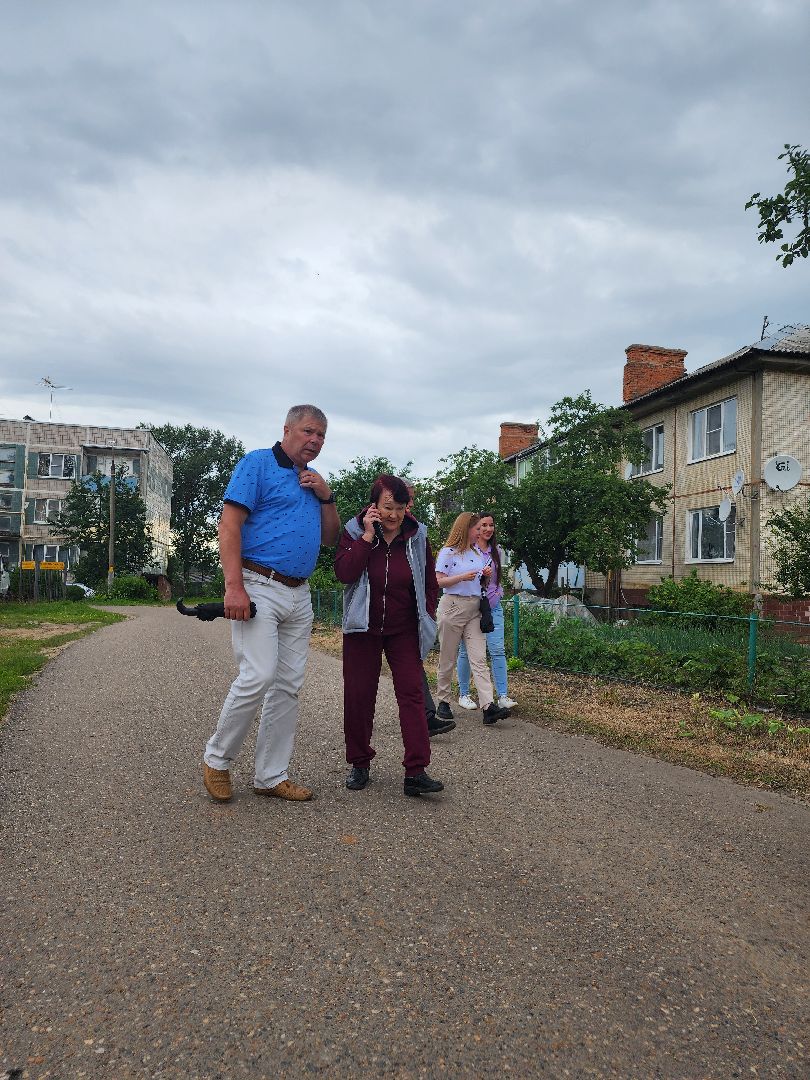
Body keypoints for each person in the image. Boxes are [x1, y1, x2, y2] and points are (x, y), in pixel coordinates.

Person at [202, 405, 340, 804]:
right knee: (258, 675)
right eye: (309, 432)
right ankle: (218, 758)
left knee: (288, 686)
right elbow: (228, 525)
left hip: (300, 593)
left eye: (322, 437)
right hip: (258, 584)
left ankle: (270, 775)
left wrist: (326, 495)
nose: (315, 441)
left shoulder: (311, 482)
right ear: (288, 430)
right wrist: (234, 587)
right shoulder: (257, 464)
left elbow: (330, 538)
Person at [335, 474, 444, 797]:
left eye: (400, 507)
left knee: (411, 694)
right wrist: (367, 538)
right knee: (359, 696)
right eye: (387, 507)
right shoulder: (355, 531)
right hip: (362, 628)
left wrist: (428, 612)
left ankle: (416, 771)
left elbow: (429, 581)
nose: (393, 515)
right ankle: (359, 762)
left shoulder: (417, 534)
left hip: (403, 629)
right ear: (374, 506)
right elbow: (344, 573)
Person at [434, 513, 510, 726]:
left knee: (479, 658)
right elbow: (438, 582)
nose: (480, 532)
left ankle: (488, 706)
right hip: (453, 607)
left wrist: (484, 576)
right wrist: (462, 577)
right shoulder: (448, 553)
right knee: (447, 657)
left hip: (475, 607)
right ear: (466, 529)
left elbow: (482, 583)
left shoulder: (478, 553)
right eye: (477, 528)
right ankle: (444, 701)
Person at [404, 482, 456, 737]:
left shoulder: (417, 530)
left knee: (413, 663)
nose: (411, 504)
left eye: (411, 499)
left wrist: (427, 604)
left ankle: (424, 716)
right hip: (377, 616)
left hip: (411, 612)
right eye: (408, 498)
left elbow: (427, 573)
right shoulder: (368, 526)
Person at [456, 513, 517, 711]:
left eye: (491, 525)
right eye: (484, 525)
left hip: (493, 608)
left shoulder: (496, 551)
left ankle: (503, 695)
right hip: (472, 608)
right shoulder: (468, 551)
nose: (488, 529)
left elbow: (498, 578)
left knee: (498, 650)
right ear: (476, 528)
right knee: (466, 651)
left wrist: (498, 592)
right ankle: (464, 694)